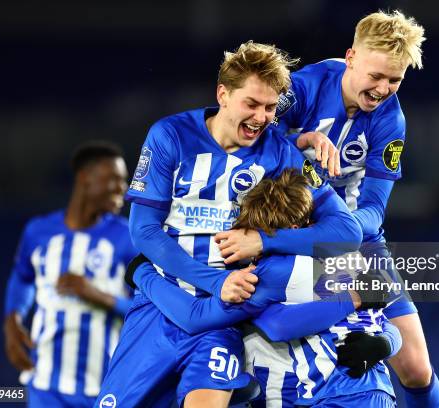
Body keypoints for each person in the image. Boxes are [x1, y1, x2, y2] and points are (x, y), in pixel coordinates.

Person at [95, 41, 363, 408]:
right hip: (157, 310)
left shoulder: (281, 154)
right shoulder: (170, 136)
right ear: (223, 94)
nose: (261, 117)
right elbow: (143, 230)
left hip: (222, 324)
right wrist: (215, 281)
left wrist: (263, 242)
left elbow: (348, 232)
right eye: (251, 104)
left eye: (270, 107)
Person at [218, 10, 439, 408]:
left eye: (395, 80)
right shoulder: (301, 88)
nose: (383, 89)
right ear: (351, 56)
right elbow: (244, 135)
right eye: (376, 76)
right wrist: (299, 139)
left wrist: (338, 237)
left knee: (417, 369)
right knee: (232, 339)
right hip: (278, 227)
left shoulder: (391, 121)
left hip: (353, 242)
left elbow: (374, 207)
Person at [127, 169, 403, 407]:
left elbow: (200, 317)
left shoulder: (273, 271)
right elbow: (383, 309)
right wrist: (386, 341)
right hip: (366, 389)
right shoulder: (351, 260)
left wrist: (142, 274)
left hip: (332, 395)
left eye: (255, 235)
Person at [3, 141, 135, 407]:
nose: (124, 188)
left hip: (104, 389)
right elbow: (23, 277)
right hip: (45, 386)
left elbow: (150, 309)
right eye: (114, 179)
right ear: (85, 178)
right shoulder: (38, 231)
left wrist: (98, 296)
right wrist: (13, 320)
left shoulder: (127, 238)